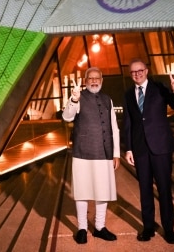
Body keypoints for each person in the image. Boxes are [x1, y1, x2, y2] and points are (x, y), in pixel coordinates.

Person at [122, 58, 174, 244]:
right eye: (133, 72)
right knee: (144, 191)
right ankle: (148, 227)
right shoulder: (127, 94)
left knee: (164, 190)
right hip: (141, 149)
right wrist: (129, 149)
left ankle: (169, 229)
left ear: (146, 70)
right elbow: (128, 123)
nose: (137, 74)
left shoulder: (159, 87)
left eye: (140, 70)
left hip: (161, 148)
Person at [62, 67, 121, 244]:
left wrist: (116, 154)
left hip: (105, 153)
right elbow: (66, 117)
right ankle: (81, 229)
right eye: (91, 78)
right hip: (83, 153)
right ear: (85, 80)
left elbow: (114, 128)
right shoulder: (79, 97)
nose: (94, 81)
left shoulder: (107, 99)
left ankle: (100, 227)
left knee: (103, 191)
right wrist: (73, 99)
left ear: (101, 80)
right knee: (82, 192)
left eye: (97, 78)